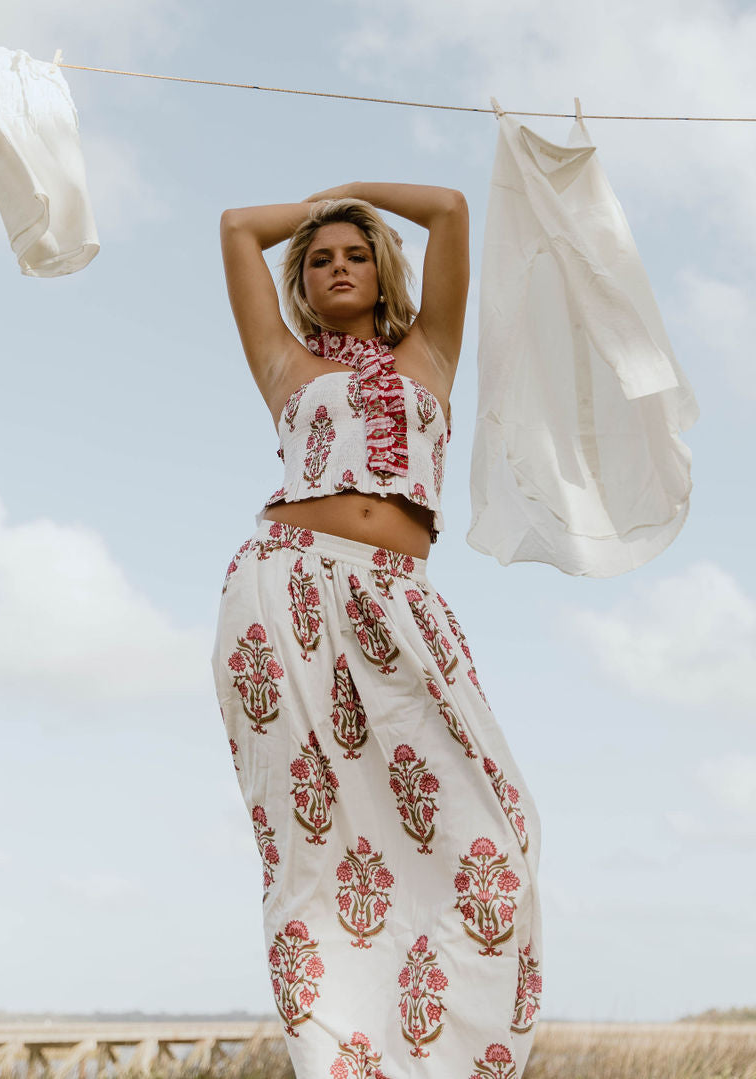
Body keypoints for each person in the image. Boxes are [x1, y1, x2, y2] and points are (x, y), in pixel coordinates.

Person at [213, 183, 541, 1079]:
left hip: (400, 599)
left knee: (498, 835)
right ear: (302, 286)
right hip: (290, 590)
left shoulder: (429, 354)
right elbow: (239, 225)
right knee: (317, 852)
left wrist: (355, 195)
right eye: (320, 259)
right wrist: (323, 207)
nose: (337, 266)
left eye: (355, 253)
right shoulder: (285, 364)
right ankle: (341, 1059)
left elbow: (450, 212)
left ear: (383, 267)